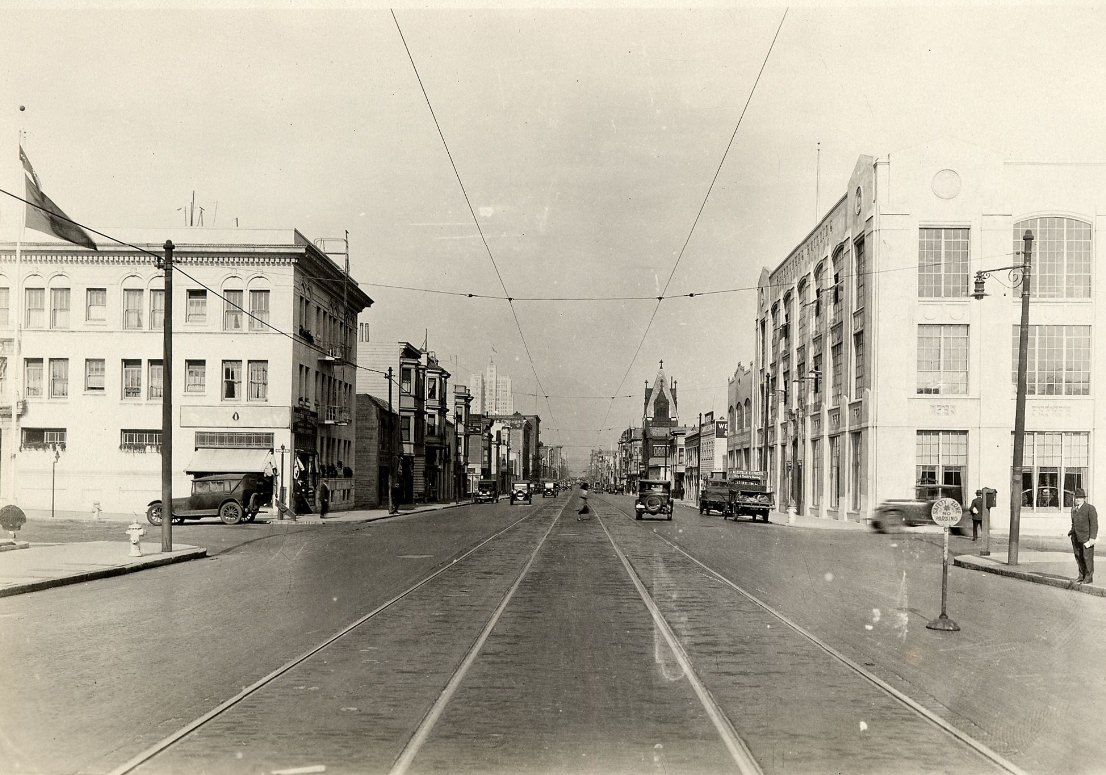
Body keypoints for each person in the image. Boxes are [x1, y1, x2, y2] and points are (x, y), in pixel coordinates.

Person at [1068, 488, 1098, 584]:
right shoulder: (1073, 509)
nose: (1078, 499)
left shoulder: (1090, 508)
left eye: (1080, 498)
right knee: (1078, 557)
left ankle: (1088, 577)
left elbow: (1094, 524)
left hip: (1086, 538)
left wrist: (1092, 538)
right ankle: (1081, 576)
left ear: (1084, 499)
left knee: (1087, 557)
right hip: (1076, 537)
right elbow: (1074, 523)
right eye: (1076, 497)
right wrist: (1071, 531)